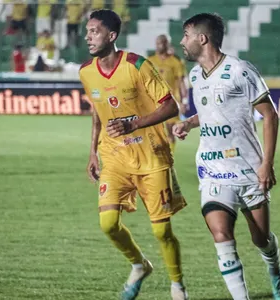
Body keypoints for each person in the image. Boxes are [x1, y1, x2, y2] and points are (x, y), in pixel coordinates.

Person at [173, 13, 280, 299]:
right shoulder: (194, 76)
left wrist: (267, 164)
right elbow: (211, 110)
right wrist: (189, 122)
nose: (182, 42)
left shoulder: (240, 70)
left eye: (186, 35)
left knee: (260, 239)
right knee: (221, 236)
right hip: (213, 169)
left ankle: (274, 270)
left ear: (203, 38)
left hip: (249, 168)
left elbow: (269, 115)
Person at [79, 9, 189, 300]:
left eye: (94, 31)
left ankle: (177, 285)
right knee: (108, 224)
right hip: (114, 157)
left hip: (150, 156)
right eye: (87, 31)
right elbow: (97, 114)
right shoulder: (86, 72)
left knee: (162, 232)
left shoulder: (138, 65)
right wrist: (92, 152)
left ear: (111, 36)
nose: (88, 36)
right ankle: (139, 265)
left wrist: (133, 123)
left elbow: (171, 107)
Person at [148, 35, 188, 154]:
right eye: (157, 42)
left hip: (171, 101)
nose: (159, 45)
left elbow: (181, 82)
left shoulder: (176, 61)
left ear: (167, 44)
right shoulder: (150, 60)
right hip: (154, 101)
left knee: (170, 131)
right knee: (154, 131)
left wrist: (184, 102)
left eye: (162, 43)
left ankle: (170, 155)